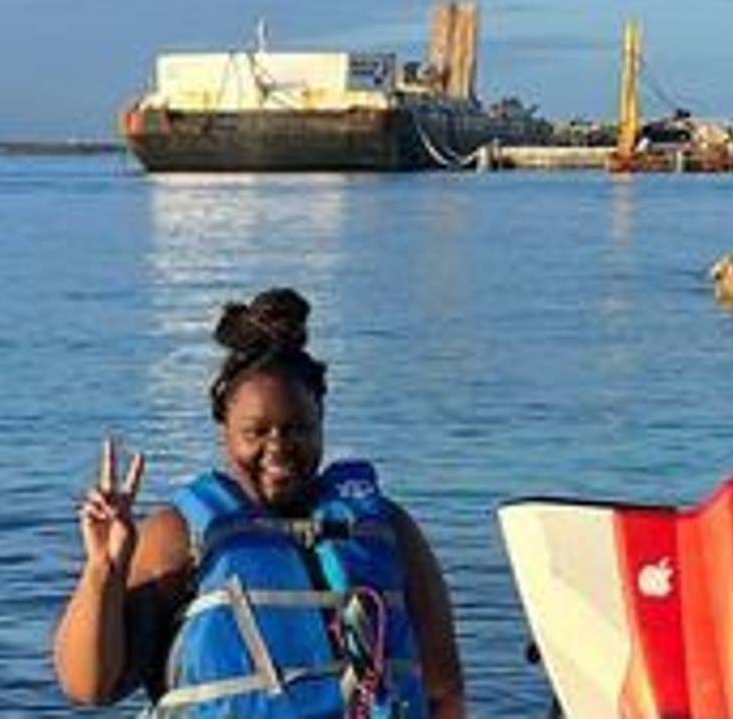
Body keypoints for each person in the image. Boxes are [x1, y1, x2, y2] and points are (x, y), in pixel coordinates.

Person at [53, 287, 466, 717]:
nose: (279, 449)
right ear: (224, 428)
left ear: (321, 418)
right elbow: (90, 686)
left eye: (297, 430)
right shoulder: (180, 537)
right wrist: (104, 569)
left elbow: (444, 690)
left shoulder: (387, 528)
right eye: (256, 432)